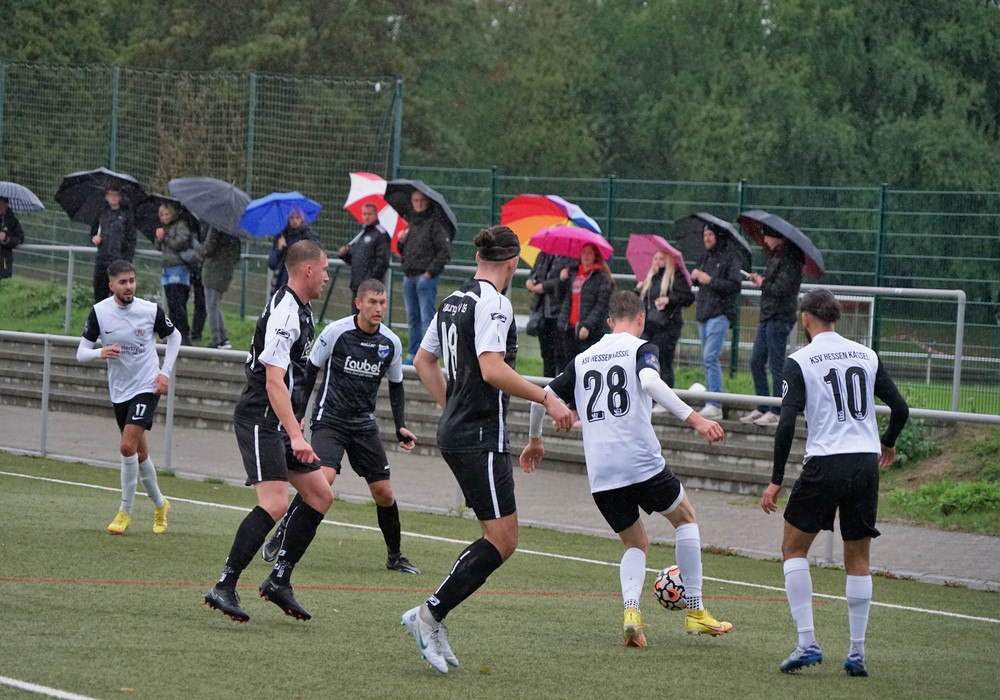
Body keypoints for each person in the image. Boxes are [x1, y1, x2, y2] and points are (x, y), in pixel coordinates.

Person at [521, 290, 733, 647]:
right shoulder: (642, 348)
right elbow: (650, 382)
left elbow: (541, 398)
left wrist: (535, 440)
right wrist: (696, 419)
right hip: (640, 461)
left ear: (608, 322)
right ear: (641, 319)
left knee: (635, 543)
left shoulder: (583, 358)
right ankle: (696, 611)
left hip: (601, 471)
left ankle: (632, 614)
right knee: (685, 518)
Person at [404, 225, 572, 674]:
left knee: (496, 537)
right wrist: (547, 397)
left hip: (459, 431)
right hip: (480, 435)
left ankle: (433, 616)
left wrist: (451, 407)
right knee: (503, 539)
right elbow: (493, 369)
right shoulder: (495, 303)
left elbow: (422, 360)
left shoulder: (452, 300)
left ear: (480, 259)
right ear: (513, 262)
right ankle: (428, 614)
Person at [760, 288, 909, 677]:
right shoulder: (866, 354)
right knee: (858, 559)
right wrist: (888, 441)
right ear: (836, 318)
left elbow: (787, 423)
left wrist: (776, 480)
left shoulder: (800, 360)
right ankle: (857, 652)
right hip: (865, 464)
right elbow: (900, 408)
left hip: (826, 462)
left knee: (793, 549)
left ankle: (807, 642)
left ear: (805, 318)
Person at [203, 240, 332, 624]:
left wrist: (295, 420)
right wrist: (295, 434)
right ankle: (224, 585)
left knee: (320, 495)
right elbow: (274, 381)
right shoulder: (285, 313)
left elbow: (294, 376)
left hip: (280, 420)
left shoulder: (302, 309)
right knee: (275, 503)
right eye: (325, 269)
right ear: (307, 269)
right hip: (261, 418)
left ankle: (279, 579)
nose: (327, 276)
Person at [260, 278, 421, 574]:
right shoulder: (337, 332)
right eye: (372, 302)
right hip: (330, 420)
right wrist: (299, 413)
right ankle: (283, 533)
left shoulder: (391, 342)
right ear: (358, 303)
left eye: (383, 302)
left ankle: (395, 556)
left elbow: (396, 385)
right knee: (323, 479)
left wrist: (400, 426)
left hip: (364, 425)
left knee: (384, 493)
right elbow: (309, 371)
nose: (379, 308)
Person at [76, 259, 180, 535]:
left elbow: (175, 337)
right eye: (123, 282)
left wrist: (165, 373)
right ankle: (160, 504)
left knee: (125, 447)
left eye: (132, 280)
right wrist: (100, 352)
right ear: (111, 285)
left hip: (147, 385)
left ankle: (125, 512)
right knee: (139, 452)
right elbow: (81, 353)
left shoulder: (149, 310)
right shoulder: (100, 312)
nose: (129, 286)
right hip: (120, 391)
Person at [740, 233, 805, 426]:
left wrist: (764, 283)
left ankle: (777, 410)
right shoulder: (775, 256)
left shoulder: (792, 259)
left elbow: (782, 288)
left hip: (780, 316)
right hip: (768, 315)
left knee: (776, 364)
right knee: (756, 361)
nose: (765, 240)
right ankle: (762, 406)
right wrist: (761, 280)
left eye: (767, 236)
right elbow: (773, 285)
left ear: (778, 237)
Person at [690, 225, 743, 420]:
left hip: (720, 313)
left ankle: (715, 403)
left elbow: (734, 285)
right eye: (704, 234)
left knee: (710, 356)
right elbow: (700, 282)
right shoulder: (705, 257)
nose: (706, 238)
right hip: (704, 313)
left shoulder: (730, 258)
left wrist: (710, 280)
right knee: (707, 358)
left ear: (718, 236)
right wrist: (695, 278)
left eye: (710, 234)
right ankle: (711, 400)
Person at [396, 189, 451, 363]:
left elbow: (444, 252)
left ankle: (429, 357)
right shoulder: (411, 223)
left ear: (427, 202)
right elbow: (404, 251)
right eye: (415, 200)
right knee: (412, 319)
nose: (418, 203)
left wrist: (429, 273)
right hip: (409, 277)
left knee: (427, 318)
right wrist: (400, 241)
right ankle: (413, 354)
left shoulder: (435, 224)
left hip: (425, 278)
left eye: (421, 200)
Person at [636, 248, 695, 387]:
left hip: (668, 325)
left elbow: (688, 297)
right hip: (649, 324)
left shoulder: (675, 276)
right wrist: (638, 290)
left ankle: (664, 394)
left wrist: (669, 300)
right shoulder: (650, 278)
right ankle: (647, 391)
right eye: (655, 259)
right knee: (645, 359)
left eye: (661, 259)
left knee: (664, 361)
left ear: (668, 261)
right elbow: (644, 301)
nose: (657, 262)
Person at [558, 242, 614, 361]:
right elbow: (560, 296)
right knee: (568, 365)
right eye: (584, 252)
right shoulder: (572, 273)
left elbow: (601, 306)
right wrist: (562, 280)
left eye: (590, 253)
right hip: (569, 328)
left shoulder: (602, 278)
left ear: (595, 256)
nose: (586, 256)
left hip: (589, 332)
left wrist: (587, 326)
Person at [154, 203, 195, 346]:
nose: (164, 217)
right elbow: (158, 247)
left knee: (178, 303)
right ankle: (172, 335)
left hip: (179, 268)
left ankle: (184, 335)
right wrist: (159, 238)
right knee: (171, 303)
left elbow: (180, 243)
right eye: (162, 215)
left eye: (167, 214)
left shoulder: (181, 225)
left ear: (172, 214)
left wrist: (165, 237)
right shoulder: (163, 228)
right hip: (167, 268)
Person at [525, 251, 572, 377]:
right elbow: (534, 272)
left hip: (559, 311)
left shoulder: (570, 258)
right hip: (542, 311)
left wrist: (545, 286)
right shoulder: (543, 255)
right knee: (546, 352)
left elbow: (567, 282)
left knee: (561, 353)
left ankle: (561, 384)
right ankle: (547, 383)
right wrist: (530, 281)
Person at [338, 202, 391, 305]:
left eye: (369, 214)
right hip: (357, 285)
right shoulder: (361, 233)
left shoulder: (381, 234)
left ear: (375, 215)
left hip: (371, 287)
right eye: (364, 214)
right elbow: (356, 260)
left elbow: (382, 261)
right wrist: (344, 255)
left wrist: (370, 280)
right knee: (356, 313)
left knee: (370, 312)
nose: (366, 217)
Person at [199, 226, 243, 349]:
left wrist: (199, 249)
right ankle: (223, 338)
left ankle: (216, 339)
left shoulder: (216, 227)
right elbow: (237, 255)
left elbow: (209, 248)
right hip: (226, 271)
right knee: (215, 304)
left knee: (211, 305)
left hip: (213, 270)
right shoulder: (235, 231)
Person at [91, 187, 136, 304]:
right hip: (102, 259)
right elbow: (93, 232)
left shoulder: (126, 215)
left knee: (118, 294)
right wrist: (94, 238)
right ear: (106, 197)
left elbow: (131, 239)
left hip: (118, 260)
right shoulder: (102, 213)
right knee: (99, 294)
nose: (113, 197)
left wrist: (127, 260)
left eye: (116, 194)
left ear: (120, 197)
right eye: (111, 194)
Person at [267, 207, 321, 297]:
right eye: (291, 217)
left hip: (301, 285)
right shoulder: (282, 236)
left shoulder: (309, 236)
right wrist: (279, 249)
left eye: (297, 217)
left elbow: (317, 257)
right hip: (281, 285)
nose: (294, 221)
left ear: (302, 218)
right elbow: (271, 263)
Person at [0, 197, 25, 279]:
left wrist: (6, 239)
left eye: (0, 203)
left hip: (3, 263)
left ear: (6, 204)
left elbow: (20, 238)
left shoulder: (12, 221)